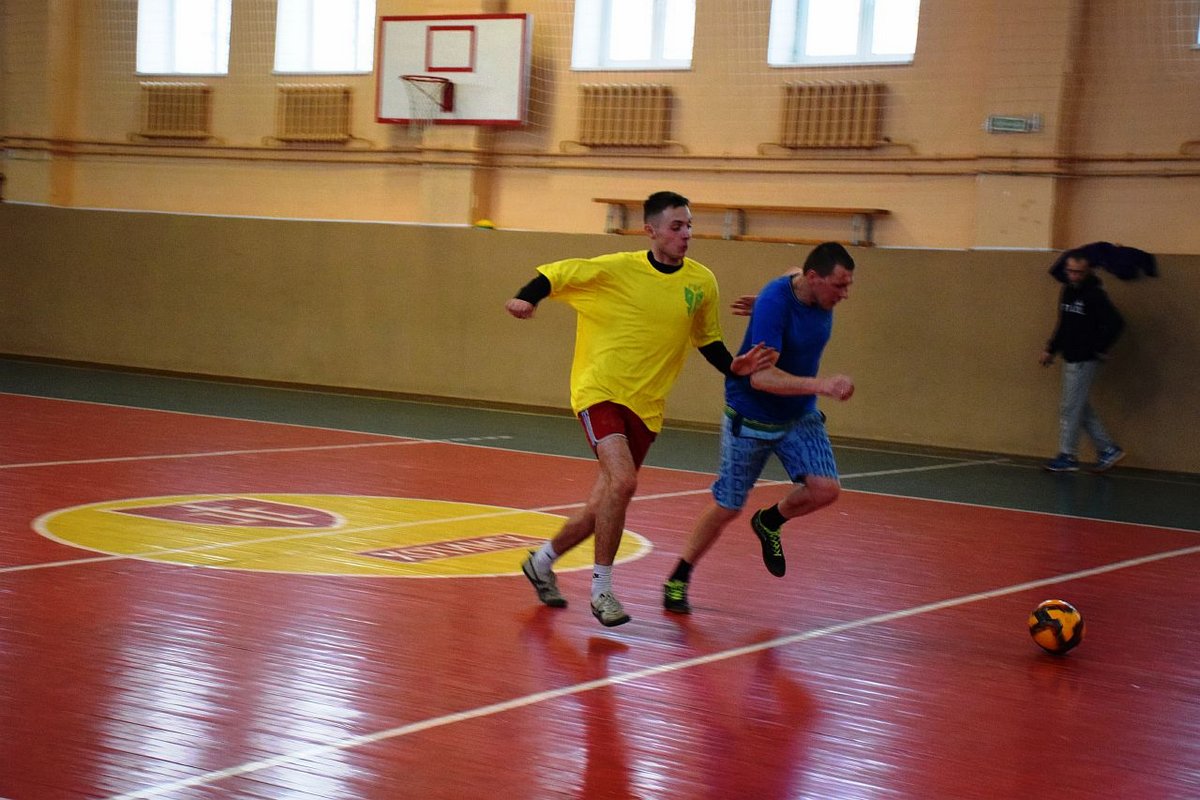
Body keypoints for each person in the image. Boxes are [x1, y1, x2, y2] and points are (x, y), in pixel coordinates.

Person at [505, 191, 777, 627]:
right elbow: (554, 274)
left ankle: (540, 564)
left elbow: (706, 338)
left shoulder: (701, 281)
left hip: (647, 407)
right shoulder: (615, 269)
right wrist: (527, 298)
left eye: (689, 226)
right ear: (650, 230)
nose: (686, 234)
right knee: (625, 481)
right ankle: (602, 590)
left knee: (602, 507)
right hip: (599, 391)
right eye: (676, 226)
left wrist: (734, 367)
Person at [662, 242, 856, 614]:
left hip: (798, 415)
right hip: (751, 416)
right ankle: (678, 577)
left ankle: (769, 521)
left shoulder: (800, 288)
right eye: (839, 285)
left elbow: (790, 271)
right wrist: (822, 384)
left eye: (848, 285)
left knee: (826, 489)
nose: (844, 294)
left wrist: (765, 308)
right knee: (727, 506)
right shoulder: (779, 300)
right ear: (814, 278)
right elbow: (762, 378)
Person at [1039, 250, 1126, 472]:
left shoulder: (1095, 295)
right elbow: (1064, 323)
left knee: (1070, 407)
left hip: (1084, 358)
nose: (1074, 276)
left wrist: (1100, 347)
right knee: (1079, 406)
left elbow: (1116, 322)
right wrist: (1051, 348)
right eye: (1070, 271)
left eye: (1079, 272)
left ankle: (1067, 454)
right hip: (1070, 355)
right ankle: (1108, 449)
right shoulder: (1067, 291)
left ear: (1087, 271)